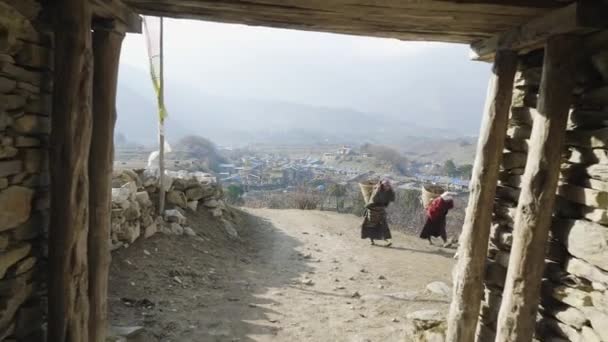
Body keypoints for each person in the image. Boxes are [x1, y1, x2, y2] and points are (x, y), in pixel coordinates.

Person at [361, 179, 395, 247]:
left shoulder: (388, 191)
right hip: (373, 210)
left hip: (381, 210)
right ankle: (372, 240)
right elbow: (373, 200)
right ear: (383, 185)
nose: (387, 187)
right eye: (386, 185)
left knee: (383, 225)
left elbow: (391, 199)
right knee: (370, 225)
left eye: (388, 186)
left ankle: (387, 240)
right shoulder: (377, 191)